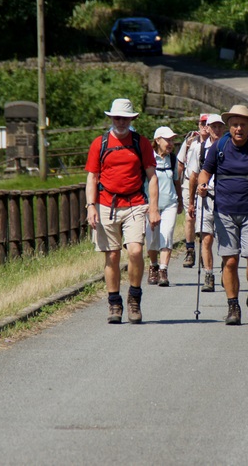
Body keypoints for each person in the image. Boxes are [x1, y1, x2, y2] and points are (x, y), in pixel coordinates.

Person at [197, 105, 248, 325]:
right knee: (230, 261)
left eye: (243, 124)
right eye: (234, 125)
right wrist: (202, 185)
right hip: (224, 212)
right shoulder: (220, 146)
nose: (238, 128)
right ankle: (233, 306)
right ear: (229, 126)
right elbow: (205, 172)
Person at [85, 98, 161, 324]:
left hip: (135, 203)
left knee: (136, 251)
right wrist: (91, 206)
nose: (120, 122)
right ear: (111, 118)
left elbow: (152, 177)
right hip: (106, 204)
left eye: (125, 119)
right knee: (112, 255)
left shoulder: (141, 143)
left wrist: (153, 208)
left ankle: (134, 299)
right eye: (117, 118)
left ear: (131, 119)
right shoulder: (100, 143)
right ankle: (114, 303)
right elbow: (92, 177)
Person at [186, 114, 225, 292]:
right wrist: (192, 201)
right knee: (206, 239)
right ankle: (209, 275)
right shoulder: (199, 149)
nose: (217, 130)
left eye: (219, 126)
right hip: (206, 198)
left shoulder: (229, 146)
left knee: (225, 240)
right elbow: (194, 176)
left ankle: (226, 269)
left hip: (225, 198)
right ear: (207, 128)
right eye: (213, 126)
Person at [146, 126, 183, 287]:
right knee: (151, 239)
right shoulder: (148, 158)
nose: (171, 143)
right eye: (168, 140)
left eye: (172, 140)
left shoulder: (172, 159)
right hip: (149, 205)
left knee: (166, 235)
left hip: (170, 204)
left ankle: (163, 270)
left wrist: (180, 200)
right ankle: (153, 265)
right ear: (157, 140)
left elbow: (176, 181)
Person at [177, 114, 210, 268]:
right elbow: (180, 163)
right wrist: (177, 184)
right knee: (190, 218)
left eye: (207, 123)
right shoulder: (190, 141)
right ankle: (190, 250)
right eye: (202, 123)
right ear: (198, 124)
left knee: (205, 220)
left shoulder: (214, 143)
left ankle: (205, 251)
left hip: (207, 186)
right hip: (188, 183)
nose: (205, 126)